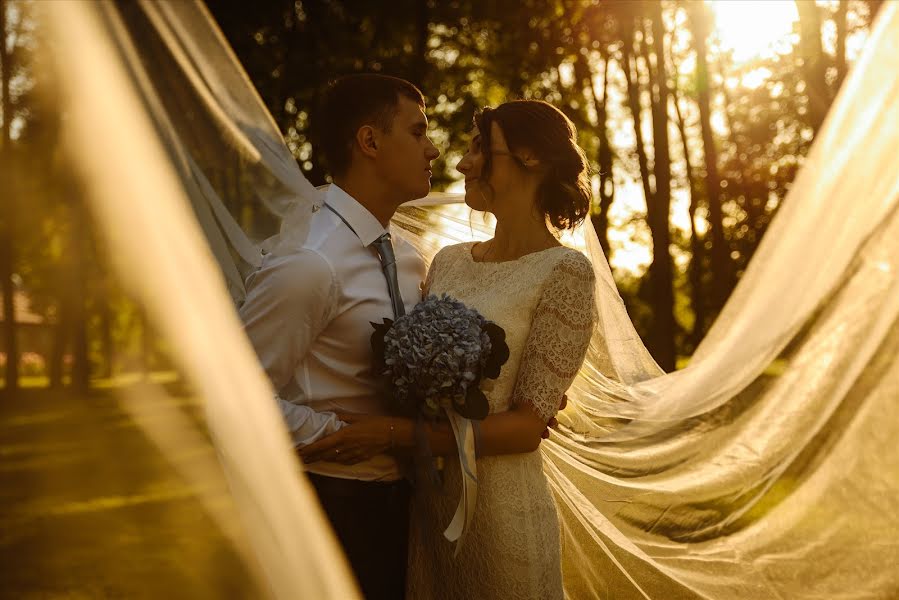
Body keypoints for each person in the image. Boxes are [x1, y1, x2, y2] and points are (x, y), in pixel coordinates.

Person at [240, 76, 565, 599]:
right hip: (329, 505)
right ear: (370, 142)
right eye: (418, 133)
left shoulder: (412, 259)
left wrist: (501, 389)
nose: (435, 149)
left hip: (412, 510)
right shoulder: (309, 264)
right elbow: (233, 398)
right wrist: (341, 431)